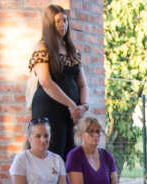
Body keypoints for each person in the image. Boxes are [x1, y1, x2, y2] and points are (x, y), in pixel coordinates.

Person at [28, 4, 87, 158]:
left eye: (65, 20)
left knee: (70, 155)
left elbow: (82, 84)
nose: (63, 25)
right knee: (52, 154)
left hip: (70, 114)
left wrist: (82, 107)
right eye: (58, 21)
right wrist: (71, 105)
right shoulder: (42, 48)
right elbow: (46, 82)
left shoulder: (73, 51)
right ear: (49, 24)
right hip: (49, 109)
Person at [65, 115, 131, 184]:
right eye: (90, 132)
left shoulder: (107, 156)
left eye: (98, 131)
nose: (95, 135)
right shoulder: (75, 156)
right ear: (81, 135)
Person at [9, 118, 68, 184]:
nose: (43, 140)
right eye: (38, 136)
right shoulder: (21, 159)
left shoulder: (57, 159)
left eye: (46, 136)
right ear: (29, 138)